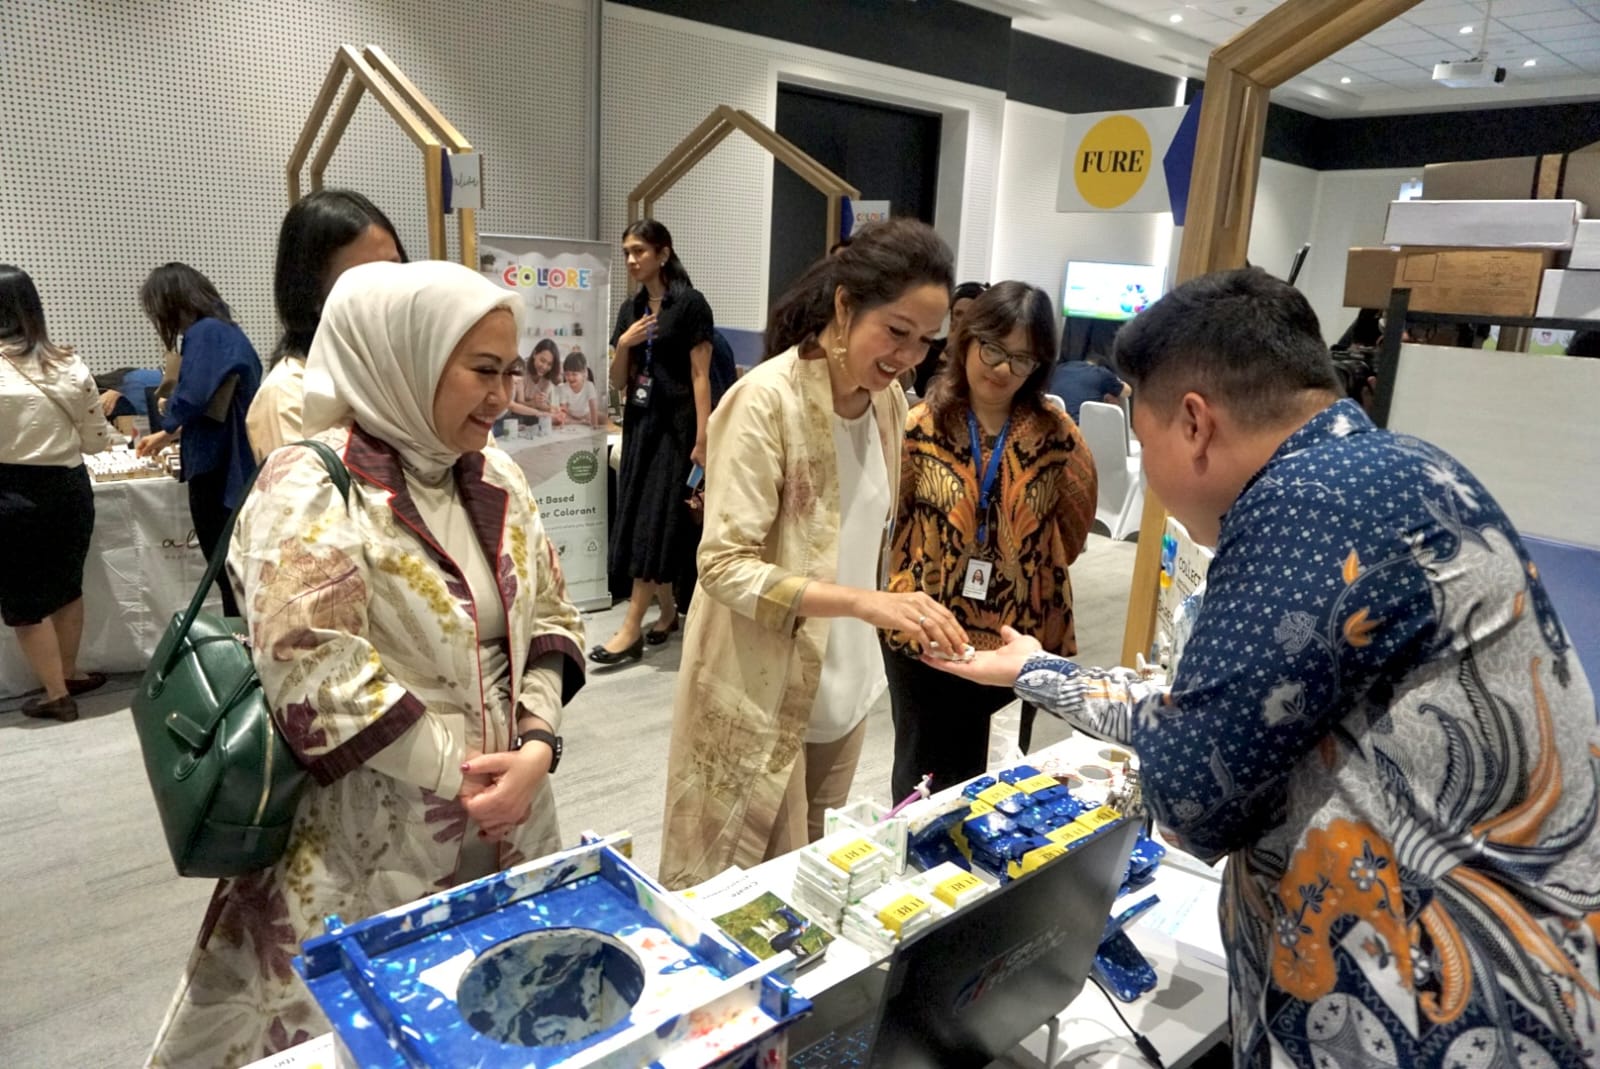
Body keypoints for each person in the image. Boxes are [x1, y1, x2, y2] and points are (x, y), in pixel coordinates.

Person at [932, 267, 1600, 1068]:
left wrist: (1082, 697)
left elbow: (1192, 796)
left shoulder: (1305, 503)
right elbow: (1216, 713)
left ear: (1194, 423)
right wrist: (1037, 669)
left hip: (1428, 1024)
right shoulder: (1392, 468)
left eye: (1144, 440)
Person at [144, 261, 586, 1069]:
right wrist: (470, 777)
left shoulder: (498, 475)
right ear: (406, 357)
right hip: (371, 841)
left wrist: (537, 745)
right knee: (371, 1034)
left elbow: (553, 615)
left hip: (513, 816)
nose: (503, 395)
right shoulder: (312, 482)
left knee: (498, 1020)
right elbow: (312, 666)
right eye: (483, 370)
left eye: (510, 371)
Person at [658, 219, 965, 890]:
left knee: (817, 883)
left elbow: (867, 536)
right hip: (761, 686)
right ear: (845, 305)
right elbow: (724, 565)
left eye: (925, 340)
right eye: (897, 331)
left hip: (847, 682)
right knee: (744, 890)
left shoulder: (888, 402)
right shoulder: (765, 401)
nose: (908, 356)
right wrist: (865, 603)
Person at [883, 281, 1096, 801]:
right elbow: (893, 520)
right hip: (926, 633)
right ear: (967, 340)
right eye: (993, 349)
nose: (1002, 369)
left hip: (1013, 639)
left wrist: (1017, 562)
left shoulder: (1058, 436)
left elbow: (1072, 532)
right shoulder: (921, 426)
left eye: (1021, 359)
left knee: (997, 782)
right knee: (922, 780)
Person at [594, 220, 714, 664]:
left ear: (663, 253)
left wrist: (703, 437)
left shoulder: (690, 304)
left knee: (653, 520)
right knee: (640, 517)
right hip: (640, 425)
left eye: (639, 250)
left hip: (676, 428)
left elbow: (701, 375)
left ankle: (630, 629)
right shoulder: (631, 309)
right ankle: (666, 613)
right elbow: (617, 381)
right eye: (627, 251)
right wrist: (624, 344)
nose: (631, 259)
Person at [0, 265, 111, 722]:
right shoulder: (69, 364)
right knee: (67, 586)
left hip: (10, 493)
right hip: (69, 487)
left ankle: (55, 694)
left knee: (24, 600)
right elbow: (97, 442)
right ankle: (69, 672)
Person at [134, 264, 260, 617]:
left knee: (226, 570)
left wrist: (167, 411)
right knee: (236, 570)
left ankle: (241, 642)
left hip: (218, 463)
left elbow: (194, 396)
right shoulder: (227, 331)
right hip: (234, 456)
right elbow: (216, 402)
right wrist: (166, 433)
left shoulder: (204, 333)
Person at [246, 189, 406, 461]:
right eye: (363, 279)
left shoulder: (400, 369)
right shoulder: (288, 394)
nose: (389, 292)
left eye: (395, 270)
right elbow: (303, 486)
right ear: (312, 293)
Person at [911, 280, 987, 397]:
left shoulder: (984, 353)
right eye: (958, 314)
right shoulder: (932, 348)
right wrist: (948, 351)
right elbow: (923, 390)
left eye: (969, 314)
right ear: (951, 316)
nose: (963, 320)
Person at [1047, 350, 1130, 423]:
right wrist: (1114, 378)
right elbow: (1127, 391)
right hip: (1079, 428)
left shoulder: (1061, 368)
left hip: (1052, 424)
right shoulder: (1101, 373)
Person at [507, 338, 561, 416]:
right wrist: (534, 403)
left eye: (549, 364)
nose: (544, 367)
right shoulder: (522, 372)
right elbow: (518, 403)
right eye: (542, 360)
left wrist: (550, 409)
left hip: (533, 417)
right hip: (516, 416)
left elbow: (541, 405)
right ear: (535, 354)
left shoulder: (547, 381)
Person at [551, 350, 602, 427]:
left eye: (574, 374)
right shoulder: (564, 387)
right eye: (567, 374)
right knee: (555, 418)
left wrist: (594, 424)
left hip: (586, 414)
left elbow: (593, 407)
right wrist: (562, 421)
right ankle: (580, 422)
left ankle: (582, 421)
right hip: (570, 416)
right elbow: (563, 408)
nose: (570, 377)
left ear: (584, 373)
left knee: (603, 417)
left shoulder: (589, 386)